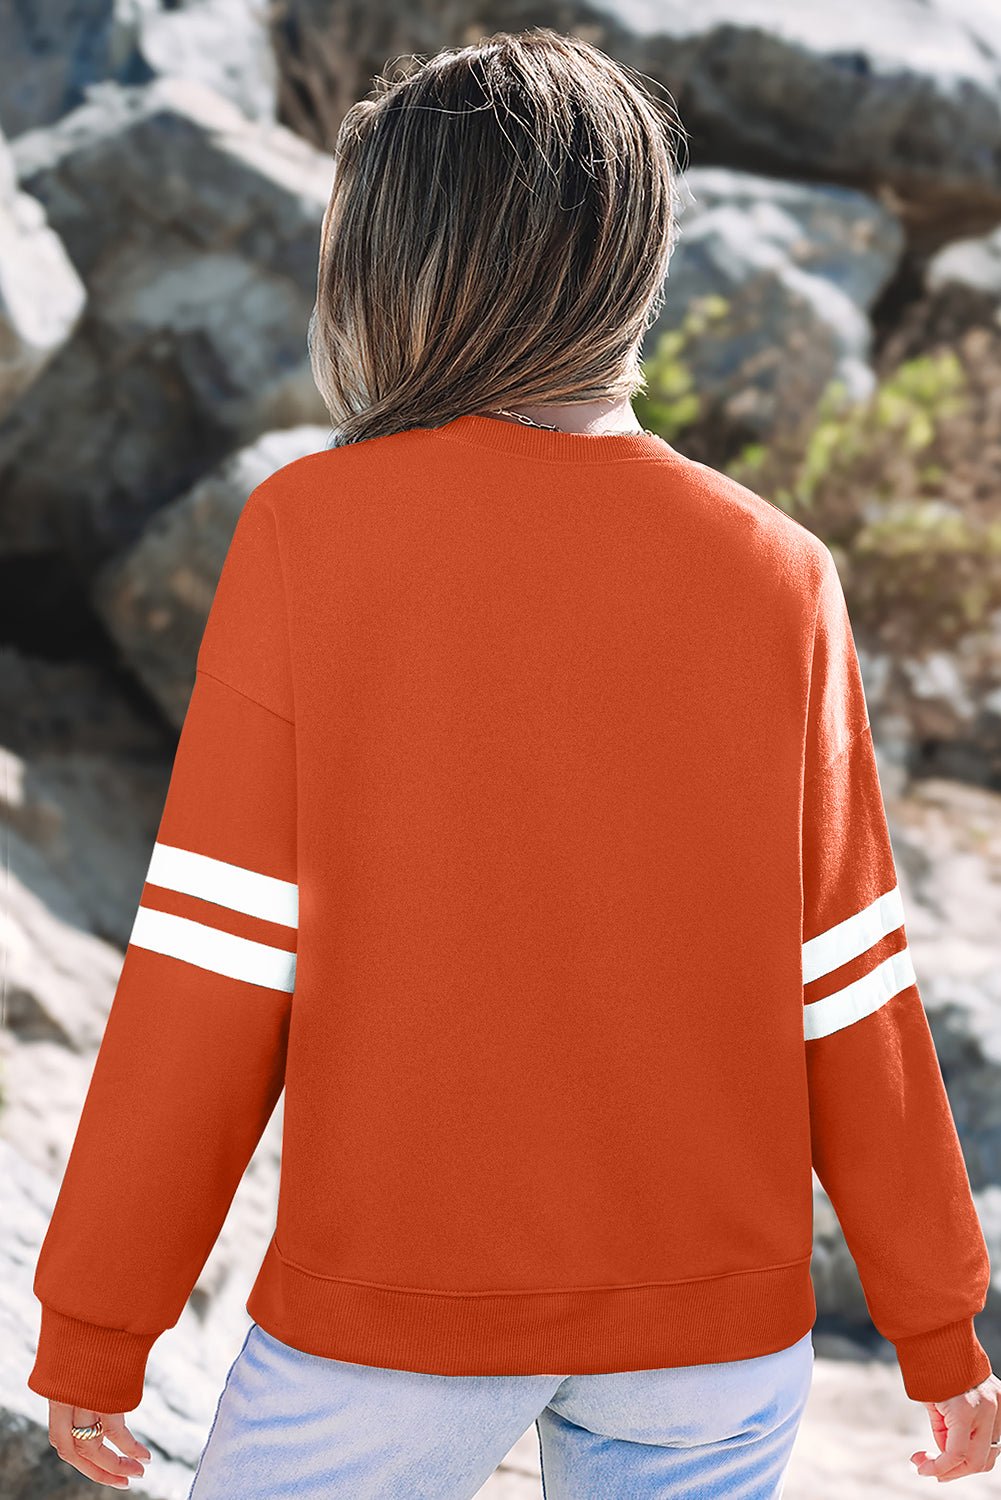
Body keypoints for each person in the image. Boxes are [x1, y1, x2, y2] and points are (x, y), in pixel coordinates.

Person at [29, 25, 1000, 1498]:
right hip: (711, 1344)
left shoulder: (309, 538)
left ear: (391, 270)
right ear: (637, 262)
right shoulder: (780, 574)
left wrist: (100, 1319)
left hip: (395, 1327)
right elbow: (850, 985)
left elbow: (215, 965)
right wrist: (936, 1326)